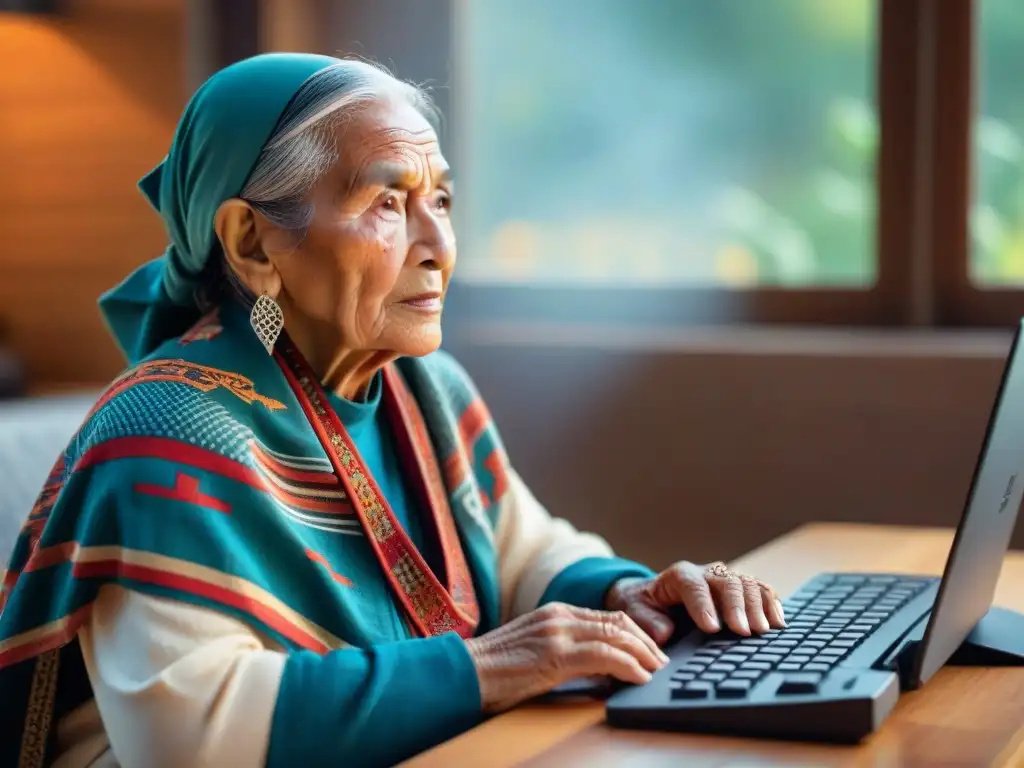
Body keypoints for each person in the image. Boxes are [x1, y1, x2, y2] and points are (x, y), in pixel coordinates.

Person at [0, 54, 786, 768]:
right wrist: (486, 667)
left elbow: (521, 556)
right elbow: (191, 732)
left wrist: (623, 596)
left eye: (440, 197)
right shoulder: (173, 430)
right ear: (251, 244)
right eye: (387, 201)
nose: (439, 241)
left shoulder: (426, 389)